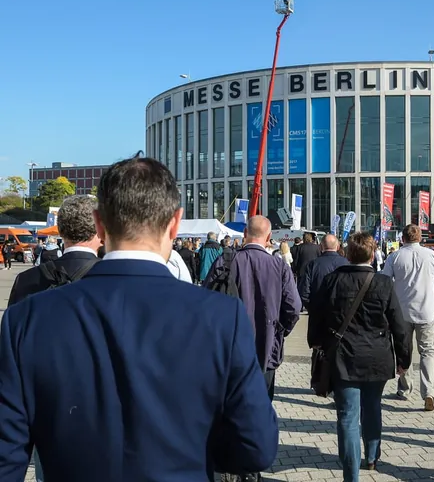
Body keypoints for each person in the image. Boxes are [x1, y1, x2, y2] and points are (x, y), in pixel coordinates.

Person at [0, 155, 279, 480]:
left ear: (99, 224)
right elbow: (256, 447)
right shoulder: (221, 317)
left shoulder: (28, 319)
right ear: (175, 223)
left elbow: (7, 456)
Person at [6, 195, 103, 482]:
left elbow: (14, 352)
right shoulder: (112, 279)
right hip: (100, 405)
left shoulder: (28, 280)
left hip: (46, 404)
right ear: (100, 229)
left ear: (60, 230)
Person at [308, 232, 411, 482]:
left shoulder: (332, 281)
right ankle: (372, 456)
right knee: (372, 407)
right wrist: (404, 359)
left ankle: (351, 474)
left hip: (343, 357)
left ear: (347, 254)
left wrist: (316, 343)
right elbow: (399, 325)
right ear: (373, 254)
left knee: (347, 415)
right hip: (377, 356)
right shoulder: (383, 283)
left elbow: (316, 316)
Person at [212, 215, 302, 401]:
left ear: (245, 233)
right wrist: (279, 330)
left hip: (230, 349)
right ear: (269, 237)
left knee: (230, 408)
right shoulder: (279, 266)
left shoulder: (225, 262)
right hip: (266, 346)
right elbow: (294, 308)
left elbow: (206, 302)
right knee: (261, 407)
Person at [381, 224, 434, 411]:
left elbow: (385, 281)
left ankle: (405, 388)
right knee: (427, 351)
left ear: (403, 238)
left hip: (402, 311)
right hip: (426, 310)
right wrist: (430, 294)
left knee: (403, 349)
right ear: (421, 238)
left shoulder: (395, 256)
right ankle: (429, 391)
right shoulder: (431, 255)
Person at [298, 234, 348, 312]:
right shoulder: (347, 263)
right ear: (338, 247)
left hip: (318, 311)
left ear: (321, 246)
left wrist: (312, 308)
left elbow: (304, 292)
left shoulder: (313, 265)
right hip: (342, 311)